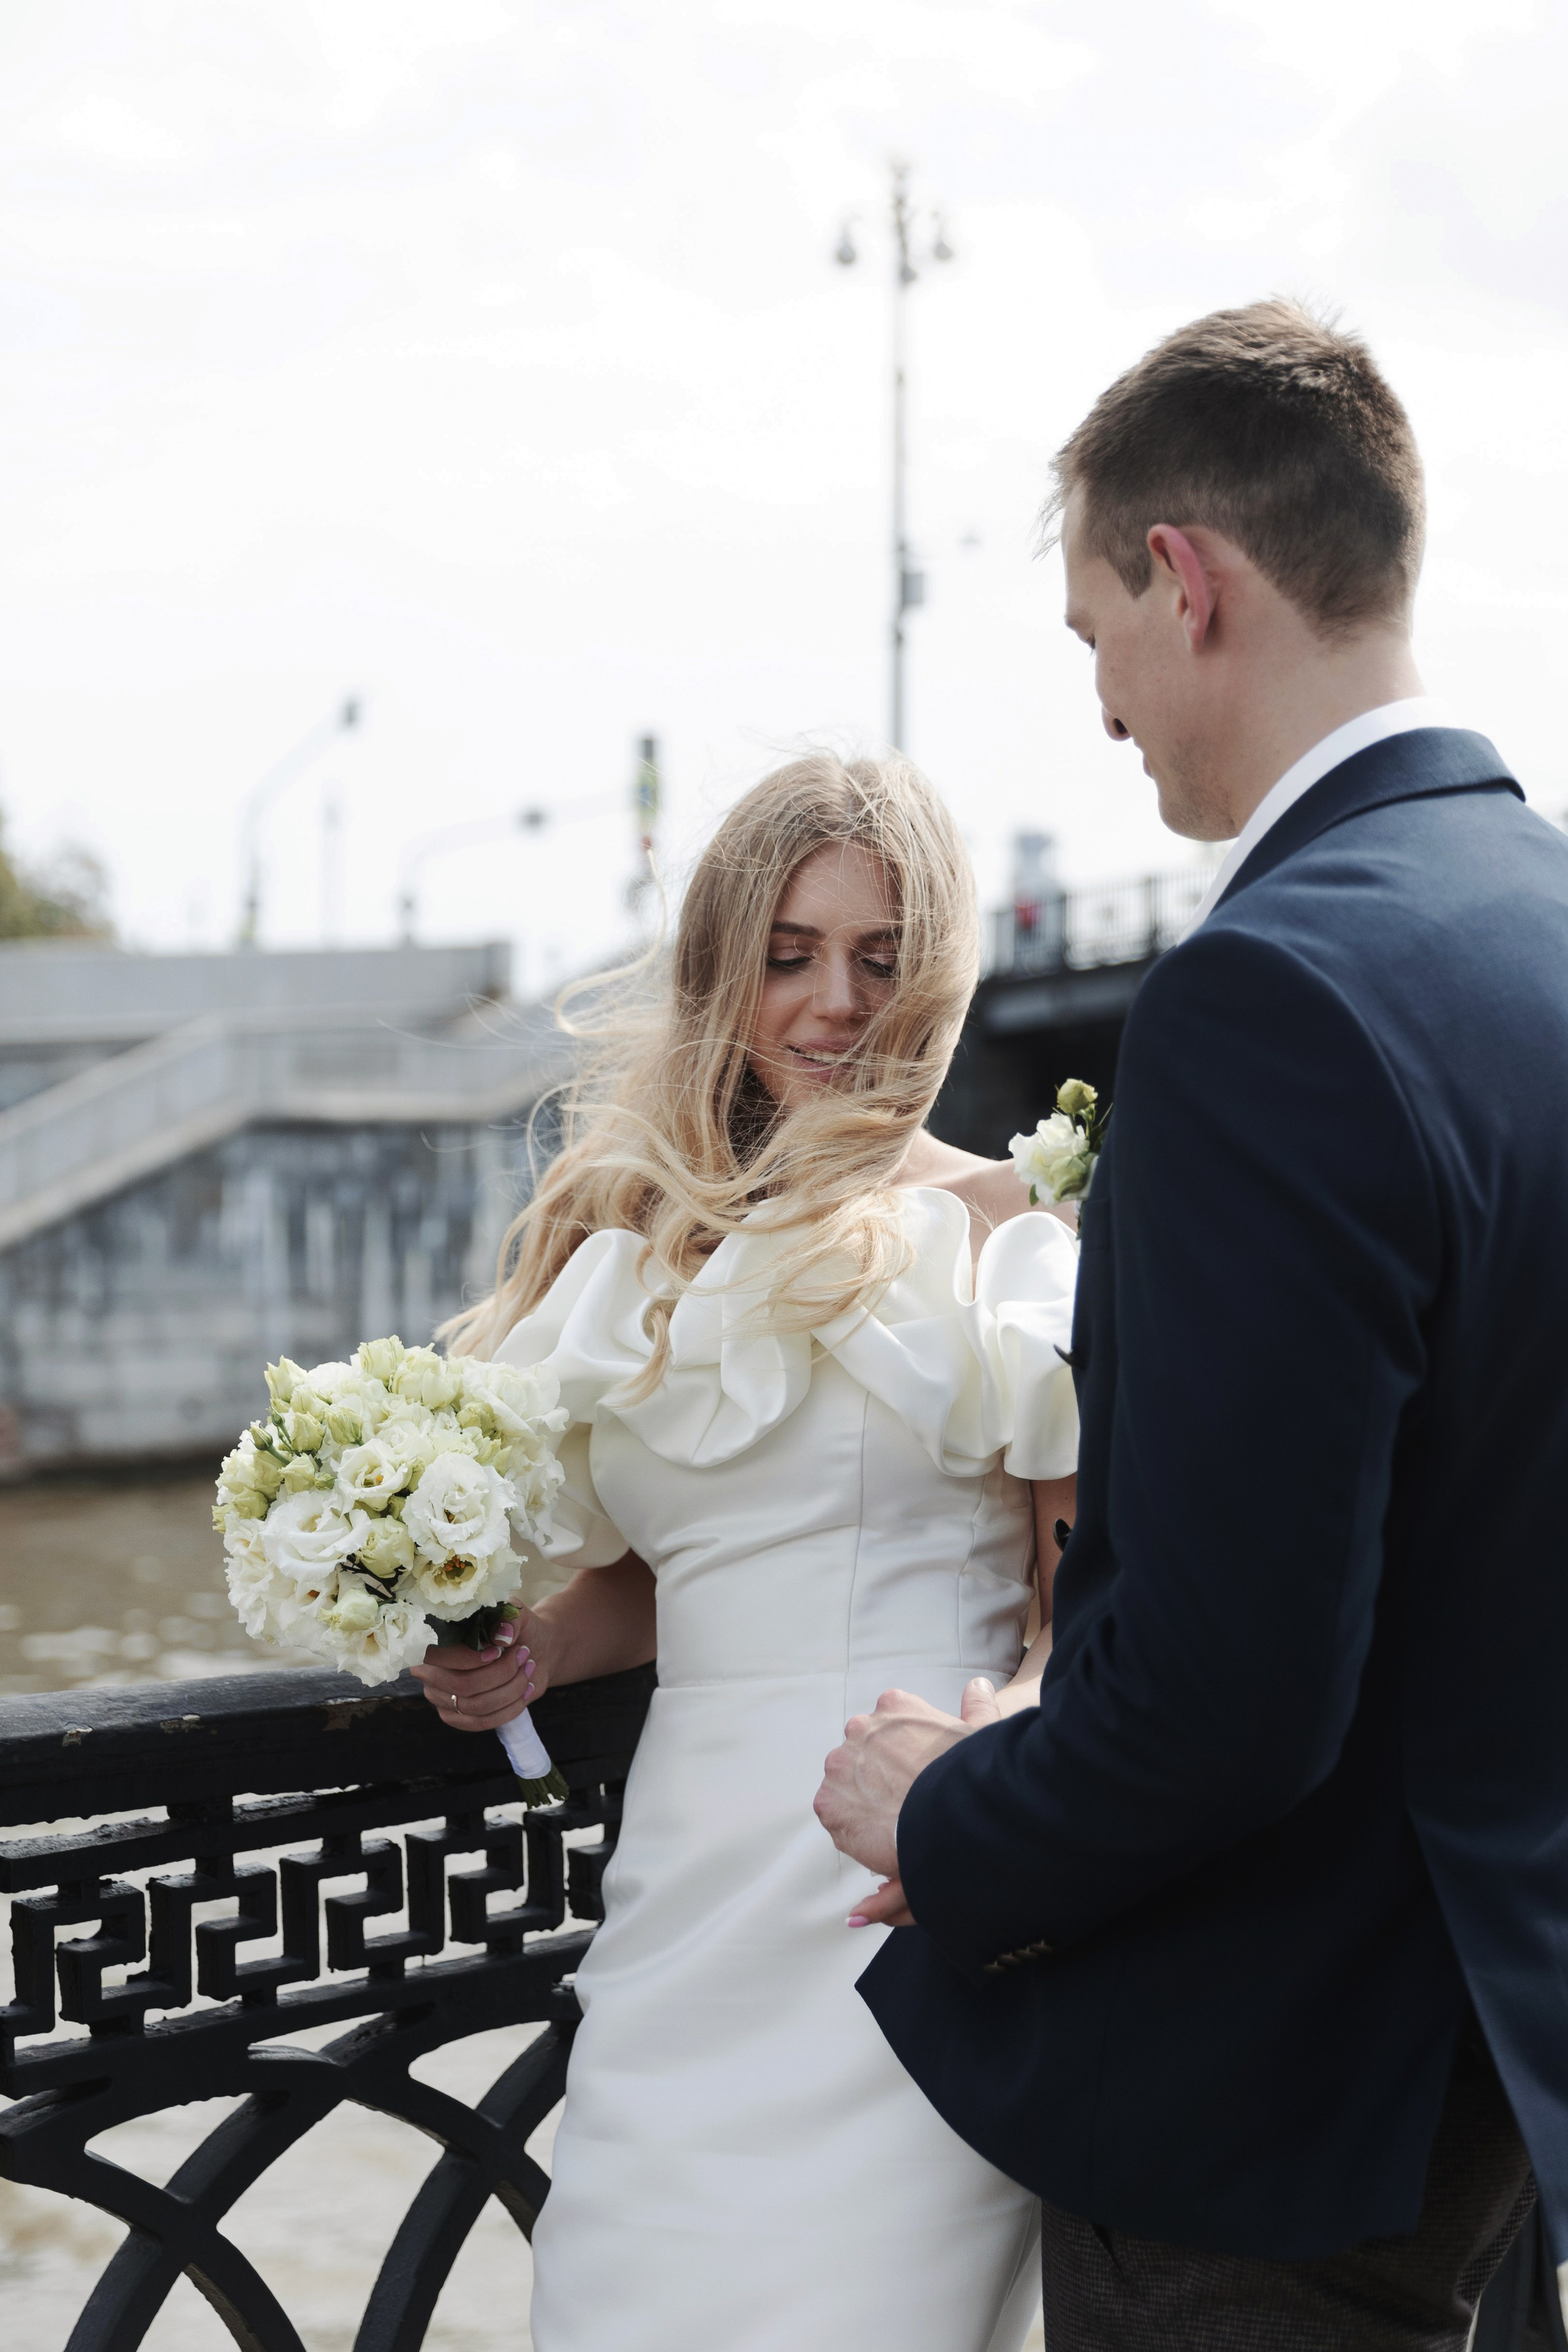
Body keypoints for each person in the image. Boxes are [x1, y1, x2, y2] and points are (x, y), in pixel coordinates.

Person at [816, 299, 1568, 2350]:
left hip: (1285, 2113)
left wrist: (950, 1816)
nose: (1107, 709)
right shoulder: (1542, 925)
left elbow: (1239, 1691)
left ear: (1185, 576)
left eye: (1093, 642)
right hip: (1501, 2062)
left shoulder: (1273, 998)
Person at [413, 752, 1080, 2352]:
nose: (833, 1003)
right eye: (789, 954)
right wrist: (532, 1649)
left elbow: (1088, 1600)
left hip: (900, 1892)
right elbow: (668, 1568)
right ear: (727, 966)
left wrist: (999, 1750)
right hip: (682, 1911)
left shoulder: (1008, 1230)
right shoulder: (639, 1235)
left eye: (875, 956)